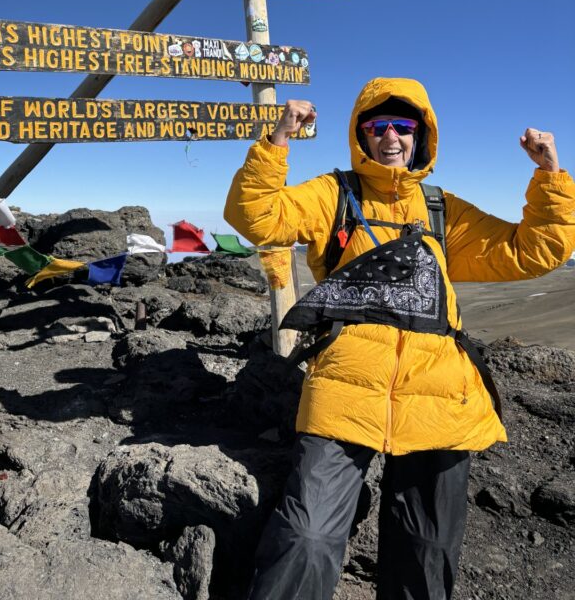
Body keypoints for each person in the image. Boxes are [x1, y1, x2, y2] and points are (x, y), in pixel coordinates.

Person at [224, 77, 575, 600]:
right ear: (359, 135)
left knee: (427, 550)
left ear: (422, 135)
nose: (391, 137)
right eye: (377, 126)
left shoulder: (442, 210)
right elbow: (255, 217)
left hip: (440, 391)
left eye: (404, 126)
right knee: (307, 535)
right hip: (346, 385)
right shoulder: (333, 195)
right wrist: (278, 142)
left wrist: (549, 175)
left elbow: (532, 251)